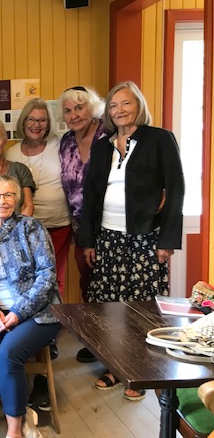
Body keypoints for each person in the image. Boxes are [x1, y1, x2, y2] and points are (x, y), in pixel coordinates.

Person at [78, 81, 185, 401]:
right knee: (109, 307)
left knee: (141, 308)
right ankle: (114, 366)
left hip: (144, 238)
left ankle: (139, 372)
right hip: (108, 238)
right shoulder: (103, 146)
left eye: (126, 103)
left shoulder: (159, 139)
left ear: (139, 106)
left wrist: (167, 240)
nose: (119, 110)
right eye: (113, 105)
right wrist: (89, 241)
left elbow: (176, 189)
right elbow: (90, 195)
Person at [0, 175, 61, 438]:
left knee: (7, 354)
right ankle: (20, 408)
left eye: (8, 195)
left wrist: (19, 311)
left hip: (38, 311)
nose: (2, 201)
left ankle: (14, 430)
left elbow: (47, 275)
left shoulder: (31, 228)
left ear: (17, 199)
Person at [56, 86, 106, 364]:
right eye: (68, 110)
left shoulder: (109, 134)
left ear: (92, 107)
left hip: (111, 224)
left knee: (112, 286)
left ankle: (119, 346)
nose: (74, 115)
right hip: (80, 226)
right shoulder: (65, 142)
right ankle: (96, 342)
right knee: (89, 284)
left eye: (79, 107)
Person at [6, 98, 71, 295]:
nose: (36, 125)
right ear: (23, 121)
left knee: (55, 277)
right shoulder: (11, 153)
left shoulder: (59, 145)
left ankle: (55, 314)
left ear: (48, 124)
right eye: (31, 119)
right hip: (26, 228)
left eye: (42, 120)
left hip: (58, 223)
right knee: (30, 277)